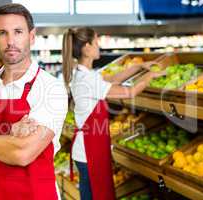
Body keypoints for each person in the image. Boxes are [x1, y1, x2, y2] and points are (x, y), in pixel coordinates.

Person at [0, 4, 68, 200]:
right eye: (2, 33)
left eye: (18, 32)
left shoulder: (50, 87)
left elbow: (22, 153)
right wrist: (10, 135)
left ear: (31, 37)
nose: (10, 41)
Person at [62, 27, 165, 200]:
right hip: (90, 150)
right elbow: (130, 92)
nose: (99, 45)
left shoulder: (82, 74)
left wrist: (139, 67)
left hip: (89, 147)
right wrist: (150, 77)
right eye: (96, 42)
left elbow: (112, 80)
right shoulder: (87, 79)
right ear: (87, 47)